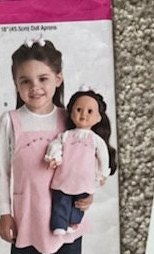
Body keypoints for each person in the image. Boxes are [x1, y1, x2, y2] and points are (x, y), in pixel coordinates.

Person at [0, 40, 91, 254]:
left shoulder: (70, 118)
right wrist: (4, 213)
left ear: (58, 78)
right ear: (16, 84)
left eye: (43, 79)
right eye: (25, 81)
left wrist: (89, 195)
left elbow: (87, 161)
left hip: (68, 215)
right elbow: (0, 171)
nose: (35, 87)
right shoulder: (10, 121)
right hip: (27, 216)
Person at [45, 89, 116, 235]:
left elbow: (103, 157)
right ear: (71, 113)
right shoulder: (66, 135)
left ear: (98, 118)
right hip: (65, 177)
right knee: (61, 201)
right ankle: (59, 224)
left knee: (79, 204)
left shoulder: (95, 140)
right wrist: (54, 157)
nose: (83, 114)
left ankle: (73, 222)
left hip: (84, 180)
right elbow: (55, 145)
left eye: (90, 111)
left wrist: (102, 175)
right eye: (79, 110)